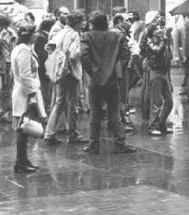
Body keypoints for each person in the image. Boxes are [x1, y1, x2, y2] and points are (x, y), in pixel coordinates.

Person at [80, 11, 137, 154]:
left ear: (93, 24)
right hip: (112, 79)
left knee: (95, 113)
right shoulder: (117, 36)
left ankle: (94, 144)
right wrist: (116, 70)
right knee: (114, 112)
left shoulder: (87, 36)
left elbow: (84, 56)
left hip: (95, 80)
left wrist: (93, 72)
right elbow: (126, 54)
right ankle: (119, 142)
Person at [43, 9, 86, 145]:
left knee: (59, 101)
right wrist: (81, 52)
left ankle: (49, 132)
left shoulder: (60, 32)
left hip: (59, 71)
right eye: (82, 21)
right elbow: (74, 54)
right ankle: (73, 133)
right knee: (72, 102)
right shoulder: (74, 35)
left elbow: (48, 47)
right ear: (77, 22)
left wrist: (58, 57)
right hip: (71, 71)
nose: (83, 24)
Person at [11, 20, 47, 173]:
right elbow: (25, 74)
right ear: (30, 35)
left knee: (24, 127)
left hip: (24, 91)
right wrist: (32, 94)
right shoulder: (24, 50)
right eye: (35, 33)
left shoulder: (21, 48)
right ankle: (20, 161)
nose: (37, 35)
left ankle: (23, 159)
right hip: (25, 93)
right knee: (23, 127)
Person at [146, 23, 174, 136]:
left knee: (169, 102)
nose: (159, 30)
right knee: (156, 102)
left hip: (164, 72)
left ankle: (161, 123)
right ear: (152, 32)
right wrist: (165, 40)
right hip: (156, 72)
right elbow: (157, 51)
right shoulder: (150, 42)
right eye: (157, 29)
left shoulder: (163, 40)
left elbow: (169, 54)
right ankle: (152, 126)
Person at [110, 13, 134, 132]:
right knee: (120, 96)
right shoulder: (120, 34)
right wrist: (122, 66)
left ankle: (115, 121)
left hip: (112, 69)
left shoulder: (111, 32)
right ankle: (120, 122)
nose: (129, 22)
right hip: (120, 70)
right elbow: (124, 54)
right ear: (119, 21)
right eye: (126, 20)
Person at [34, 14, 56, 113]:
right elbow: (42, 54)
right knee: (45, 87)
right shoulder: (42, 37)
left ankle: (44, 105)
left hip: (40, 66)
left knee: (45, 86)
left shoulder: (39, 35)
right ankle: (44, 106)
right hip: (43, 66)